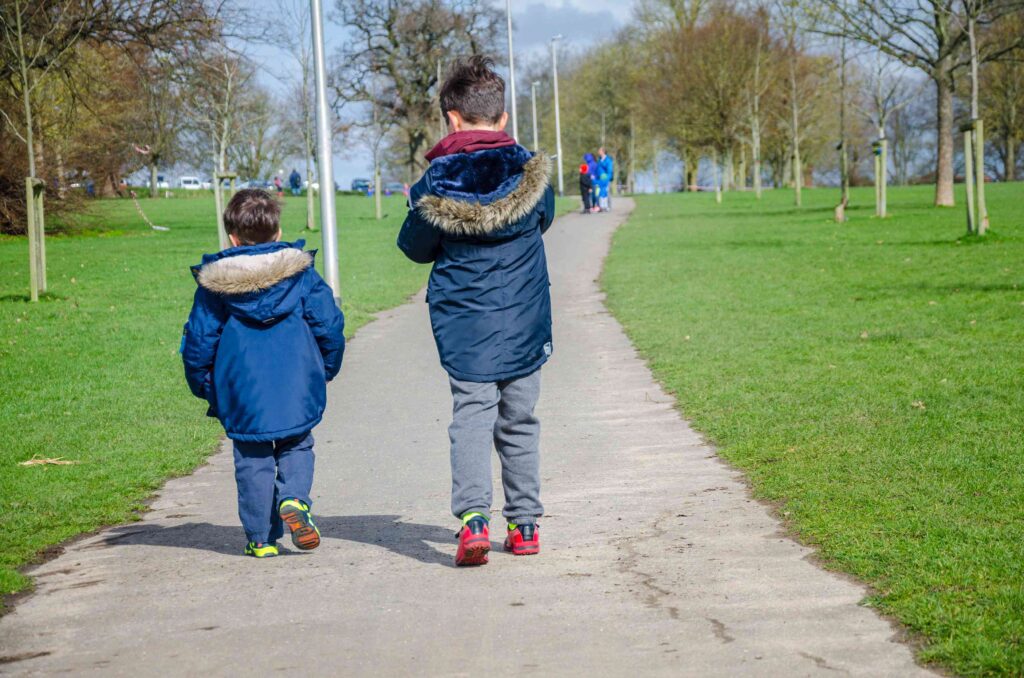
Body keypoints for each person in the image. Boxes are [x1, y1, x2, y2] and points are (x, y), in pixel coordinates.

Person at [397, 55, 555, 567]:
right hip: (526, 320)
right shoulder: (532, 174)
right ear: (503, 119)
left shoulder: (435, 184)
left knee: (471, 418)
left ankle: (473, 521)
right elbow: (543, 220)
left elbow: (415, 248)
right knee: (520, 421)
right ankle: (525, 524)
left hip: (465, 327)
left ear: (453, 119)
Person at [181, 189, 345, 558]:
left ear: (232, 238)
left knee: (252, 457)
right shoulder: (301, 274)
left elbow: (199, 341)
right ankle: (295, 500)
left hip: (241, 388)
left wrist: (206, 387)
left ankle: (260, 539)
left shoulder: (215, 285)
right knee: (297, 443)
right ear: (278, 231)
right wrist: (325, 369)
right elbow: (329, 325)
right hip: (297, 380)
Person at [597, 147, 614, 211]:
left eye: (599, 151)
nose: (598, 152)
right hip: (600, 179)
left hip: (606, 179)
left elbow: (610, 170)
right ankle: (601, 206)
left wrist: (607, 178)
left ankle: (608, 206)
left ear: (603, 152)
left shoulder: (608, 160)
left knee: (607, 192)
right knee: (599, 192)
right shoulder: (599, 159)